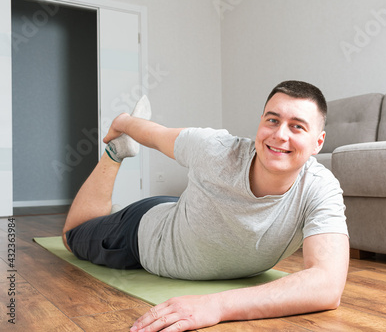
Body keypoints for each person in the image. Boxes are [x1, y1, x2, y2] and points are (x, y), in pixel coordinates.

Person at [62, 80, 350, 332]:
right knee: (71, 236)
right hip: (145, 234)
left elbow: (327, 285)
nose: (280, 135)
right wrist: (123, 124)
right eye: (272, 120)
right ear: (260, 122)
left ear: (318, 142)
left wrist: (217, 306)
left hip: (189, 215)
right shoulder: (215, 149)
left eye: (297, 126)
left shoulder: (321, 188)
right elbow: (157, 135)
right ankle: (116, 152)